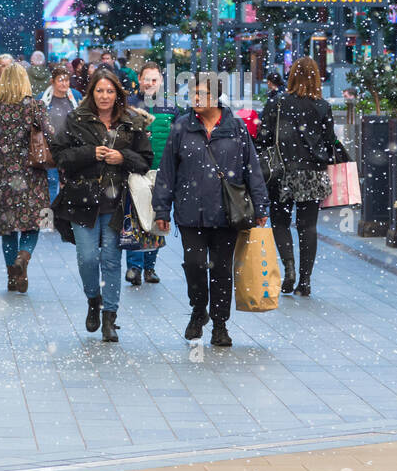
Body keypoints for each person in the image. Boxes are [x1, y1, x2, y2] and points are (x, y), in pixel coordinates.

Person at [153, 77, 270, 347]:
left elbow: (251, 168)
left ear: (216, 97)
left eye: (202, 93)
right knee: (194, 265)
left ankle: (220, 324)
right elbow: (167, 171)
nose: (195, 98)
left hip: (226, 213)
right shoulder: (182, 126)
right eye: (193, 93)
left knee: (221, 270)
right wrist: (162, 208)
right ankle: (198, 309)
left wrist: (260, 205)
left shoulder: (235, 127)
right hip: (190, 212)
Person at [52, 69, 153, 342]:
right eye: (100, 91)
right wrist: (88, 153)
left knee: (111, 260)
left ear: (117, 94)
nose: (105, 96)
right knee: (87, 258)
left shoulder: (132, 122)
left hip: (117, 203)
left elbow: (145, 160)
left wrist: (123, 157)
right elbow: (59, 155)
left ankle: (110, 316)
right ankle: (93, 300)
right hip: (82, 201)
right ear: (91, 93)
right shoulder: (77, 120)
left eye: (110, 91)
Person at [260, 57, 342, 297]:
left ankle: (289, 268)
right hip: (312, 173)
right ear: (316, 77)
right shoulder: (323, 106)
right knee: (308, 227)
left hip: (282, 171)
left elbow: (264, 136)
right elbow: (329, 141)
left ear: (292, 76)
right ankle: (305, 281)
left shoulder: (277, 103)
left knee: (280, 221)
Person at [0, 64, 53, 293]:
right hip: (31, 176)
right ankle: (23, 258)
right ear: (25, 82)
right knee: (34, 224)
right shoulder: (36, 107)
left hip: (1, 178)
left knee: (8, 228)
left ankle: (11, 278)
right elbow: (50, 138)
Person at [125, 62, 179, 286]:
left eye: (154, 80)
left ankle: (150, 267)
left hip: (162, 171)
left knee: (158, 217)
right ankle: (134, 267)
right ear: (139, 79)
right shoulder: (129, 106)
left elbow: (177, 140)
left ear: (160, 82)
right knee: (135, 218)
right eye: (146, 79)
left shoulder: (170, 107)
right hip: (136, 170)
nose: (150, 83)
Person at [42, 65, 82, 202]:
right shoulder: (43, 98)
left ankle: (66, 216)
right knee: (52, 182)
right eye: (60, 80)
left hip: (70, 148)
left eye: (66, 80)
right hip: (50, 148)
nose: (64, 83)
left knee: (70, 183)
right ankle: (52, 216)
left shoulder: (75, 97)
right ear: (52, 81)